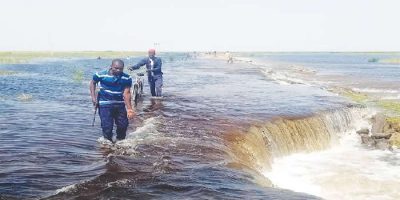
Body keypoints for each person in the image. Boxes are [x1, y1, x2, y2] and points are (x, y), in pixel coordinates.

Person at [89, 59, 134, 143]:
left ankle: (120, 142)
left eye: (121, 69)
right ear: (111, 66)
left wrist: (129, 109)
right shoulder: (100, 75)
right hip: (105, 104)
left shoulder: (127, 78)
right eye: (116, 68)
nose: (118, 71)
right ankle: (108, 143)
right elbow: (93, 83)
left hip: (120, 104)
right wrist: (93, 97)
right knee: (107, 126)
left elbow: (127, 93)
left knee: (123, 126)